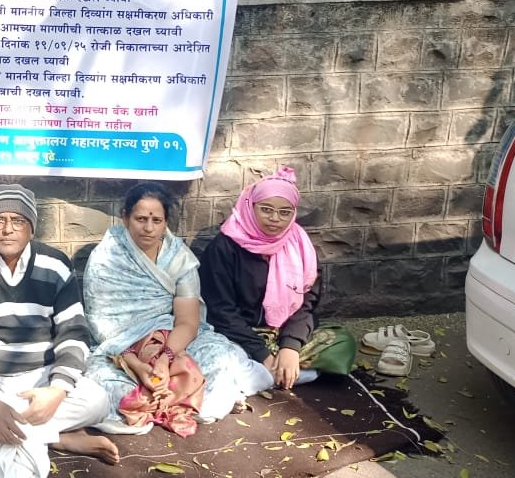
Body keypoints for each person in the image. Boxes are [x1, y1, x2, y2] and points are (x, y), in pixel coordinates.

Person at [0, 184, 118, 478]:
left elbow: (74, 333)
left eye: (17, 220)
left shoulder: (55, 265)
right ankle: (60, 439)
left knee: (98, 401)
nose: (7, 229)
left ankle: (8, 428)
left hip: (42, 378)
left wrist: (57, 391)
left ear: (31, 228)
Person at [83, 182, 267, 436]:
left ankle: (163, 403)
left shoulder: (179, 258)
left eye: (156, 220)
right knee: (107, 386)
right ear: (125, 218)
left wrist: (165, 358)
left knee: (219, 356)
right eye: (140, 219)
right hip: (121, 350)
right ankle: (183, 399)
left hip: (172, 339)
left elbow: (188, 321)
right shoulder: (106, 258)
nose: (149, 228)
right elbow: (102, 326)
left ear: (166, 223)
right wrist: (136, 363)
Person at [198, 167, 355, 390]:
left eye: (284, 212)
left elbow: (306, 304)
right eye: (266, 209)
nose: (275, 219)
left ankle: (271, 373)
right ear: (250, 206)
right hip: (237, 335)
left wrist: (290, 347)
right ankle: (278, 372)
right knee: (219, 356)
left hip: (281, 333)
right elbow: (220, 311)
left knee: (342, 342)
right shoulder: (225, 247)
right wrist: (262, 353)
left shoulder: (299, 245)